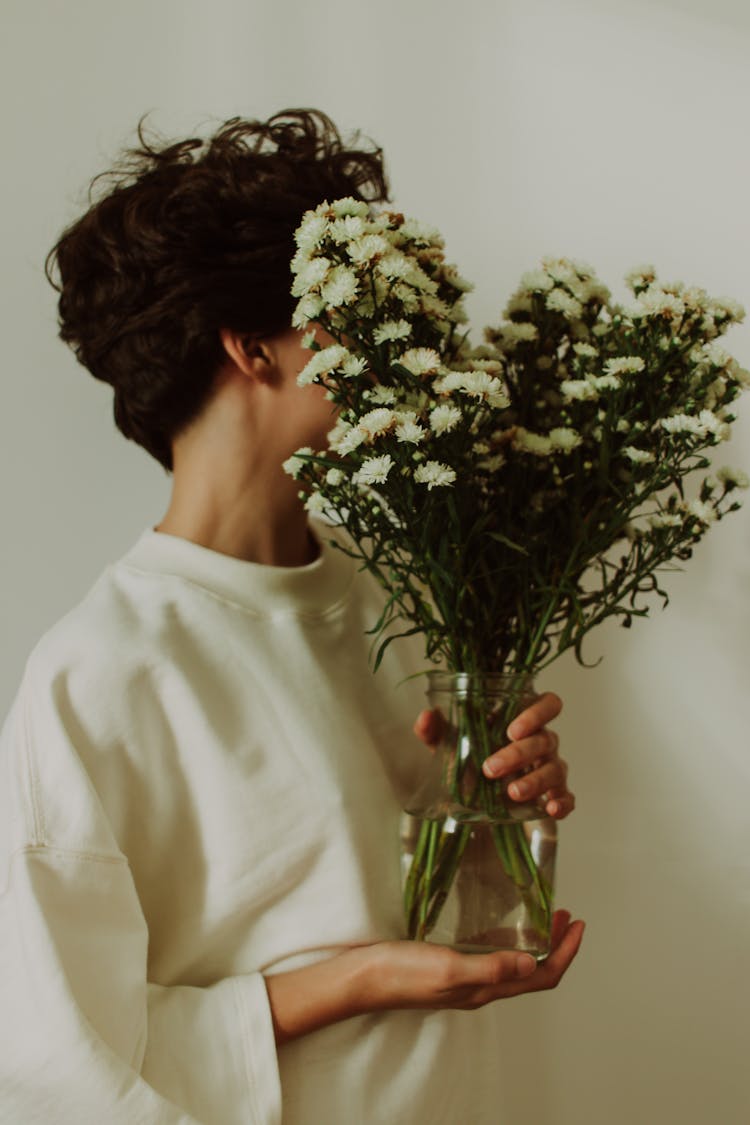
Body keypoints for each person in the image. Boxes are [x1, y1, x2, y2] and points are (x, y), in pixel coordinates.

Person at [0, 108, 584, 1125]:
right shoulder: (103, 669)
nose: (398, 352)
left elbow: (438, 908)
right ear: (251, 349)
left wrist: (504, 805)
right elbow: (51, 1057)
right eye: (353, 314)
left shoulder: (411, 599)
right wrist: (356, 982)